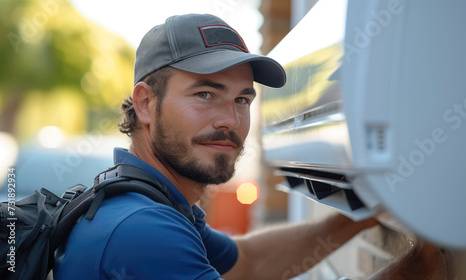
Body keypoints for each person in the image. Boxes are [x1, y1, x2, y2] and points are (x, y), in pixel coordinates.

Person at [54, 13, 378, 279]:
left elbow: (251, 263)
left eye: (241, 99)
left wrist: (368, 212)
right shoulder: (142, 231)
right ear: (145, 103)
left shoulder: (154, 203)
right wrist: (418, 268)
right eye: (205, 94)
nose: (231, 121)